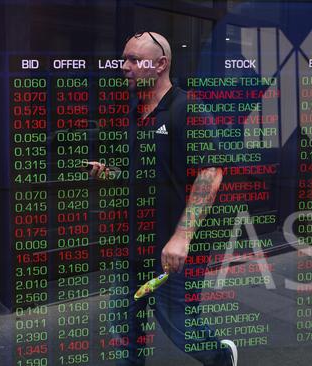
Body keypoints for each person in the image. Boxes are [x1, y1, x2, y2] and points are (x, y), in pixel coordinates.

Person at [90, 31, 238, 366]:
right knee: (125, 325)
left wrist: (181, 237)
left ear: (160, 64)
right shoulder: (133, 111)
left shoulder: (187, 109)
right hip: (131, 243)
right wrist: (109, 173)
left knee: (179, 325)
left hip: (170, 247)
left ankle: (221, 357)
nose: (124, 66)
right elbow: (140, 172)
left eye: (134, 59)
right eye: (123, 58)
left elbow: (210, 173)